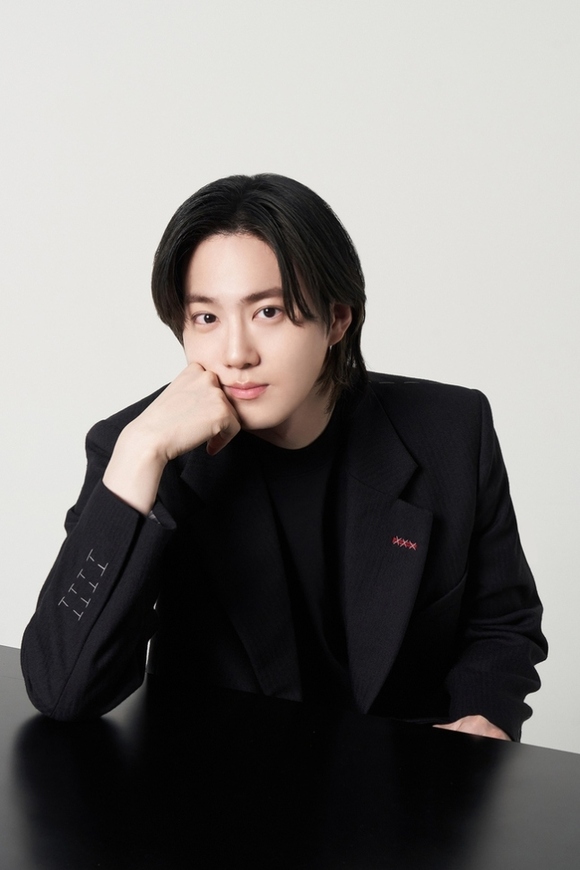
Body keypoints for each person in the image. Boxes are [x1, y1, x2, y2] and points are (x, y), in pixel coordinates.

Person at [21, 173, 547, 740]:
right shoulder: (140, 449)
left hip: (405, 780)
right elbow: (62, 687)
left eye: (268, 311)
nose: (236, 353)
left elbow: (501, 621)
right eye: (206, 318)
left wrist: (484, 717)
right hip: (218, 779)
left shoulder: (451, 430)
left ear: (337, 319)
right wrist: (139, 457)